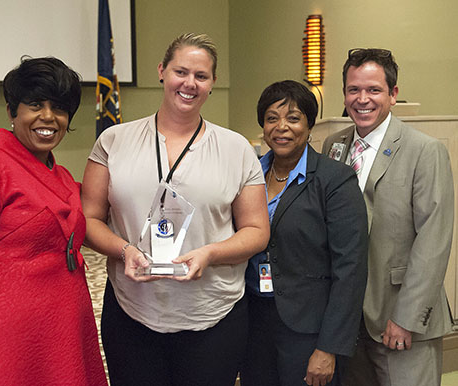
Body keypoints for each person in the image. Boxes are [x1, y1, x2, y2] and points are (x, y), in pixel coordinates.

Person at [81, 33, 270, 386]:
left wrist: (210, 254)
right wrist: (124, 252)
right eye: (180, 71)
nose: (190, 83)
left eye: (201, 76)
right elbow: (88, 219)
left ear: (213, 84)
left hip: (213, 314)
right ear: (162, 72)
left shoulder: (237, 149)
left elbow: (257, 231)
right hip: (131, 312)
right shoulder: (114, 141)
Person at [0, 57, 108, 386]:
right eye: (34, 104)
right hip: (6, 346)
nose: (48, 116)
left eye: (58, 107)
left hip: (66, 338)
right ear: (12, 112)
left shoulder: (64, 177)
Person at [322, 48, 454, 386]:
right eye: (354, 90)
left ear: (393, 94)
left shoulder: (424, 150)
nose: (362, 99)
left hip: (400, 319)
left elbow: (433, 241)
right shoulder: (334, 146)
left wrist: (407, 318)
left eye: (373, 90)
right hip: (350, 324)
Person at [241, 80, 368, 386]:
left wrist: (329, 347)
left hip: (308, 329)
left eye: (293, 118)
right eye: (272, 118)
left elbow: (350, 269)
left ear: (310, 126)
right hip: (253, 320)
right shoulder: (249, 175)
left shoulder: (335, 180)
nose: (281, 127)